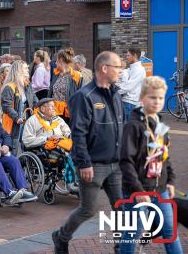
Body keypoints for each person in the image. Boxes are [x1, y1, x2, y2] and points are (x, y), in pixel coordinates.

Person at [52, 51, 124, 254]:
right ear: (104, 68)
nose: (120, 71)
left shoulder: (116, 94)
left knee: (121, 208)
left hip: (116, 164)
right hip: (94, 165)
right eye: (117, 67)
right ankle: (61, 236)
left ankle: (121, 247)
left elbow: (121, 127)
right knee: (88, 210)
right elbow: (79, 133)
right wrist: (84, 163)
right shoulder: (84, 97)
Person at [119, 76, 183, 253]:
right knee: (134, 233)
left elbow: (164, 155)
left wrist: (170, 180)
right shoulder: (133, 126)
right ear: (142, 98)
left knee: (170, 231)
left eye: (161, 98)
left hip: (159, 189)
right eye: (152, 97)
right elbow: (126, 161)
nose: (157, 101)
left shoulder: (160, 123)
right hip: (136, 191)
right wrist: (138, 190)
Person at [2, 60, 38, 154]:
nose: (28, 69)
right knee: (15, 144)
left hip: (26, 118)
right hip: (14, 121)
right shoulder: (9, 87)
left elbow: (34, 99)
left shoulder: (27, 85)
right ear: (19, 70)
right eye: (25, 68)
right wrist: (16, 117)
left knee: (25, 143)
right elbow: (6, 106)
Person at [48, 47, 82, 124]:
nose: (55, 63)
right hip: (54, 113)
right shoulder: (56, 74)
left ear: (61, 61)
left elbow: (81, 97)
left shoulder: (76, 76)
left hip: (69, 113)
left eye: (56, 60)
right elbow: (51, 93)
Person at [116, 47, 146, 121]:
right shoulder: (130, 69)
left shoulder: (139, 70)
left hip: (130, 103)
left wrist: (114, 92)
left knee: (126, 129)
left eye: (128, 55)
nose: (127, 57)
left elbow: (128, 86)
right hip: (127, 102)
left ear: (135, 56)